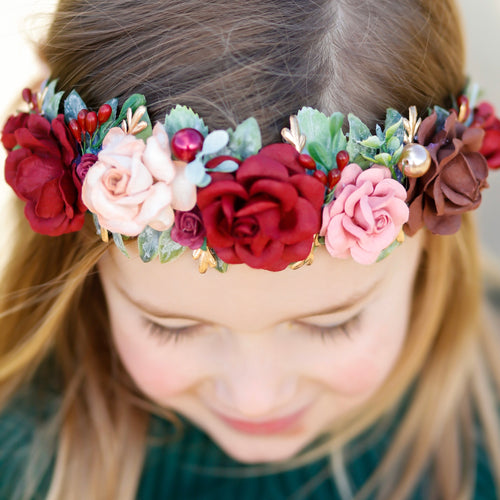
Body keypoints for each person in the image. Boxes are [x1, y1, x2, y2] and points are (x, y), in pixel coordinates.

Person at [0, 0, 499, 499]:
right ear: (83, 266)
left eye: (332, 325)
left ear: (432, 243)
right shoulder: (21, 461)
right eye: (171, 327)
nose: (254, 400)